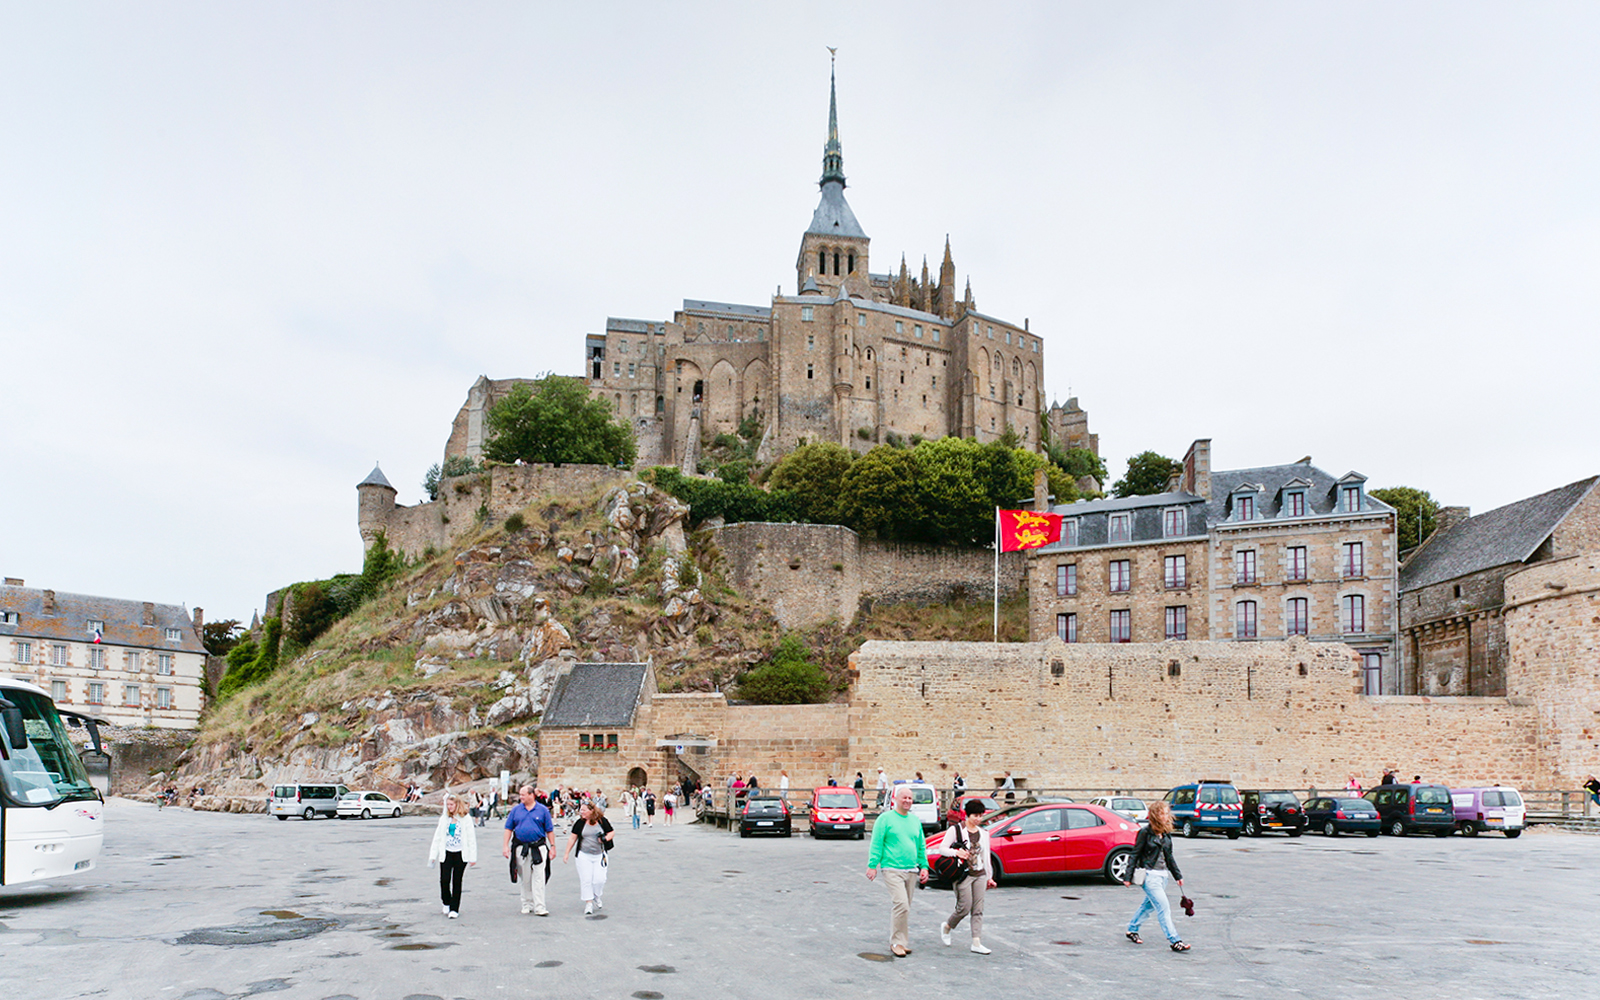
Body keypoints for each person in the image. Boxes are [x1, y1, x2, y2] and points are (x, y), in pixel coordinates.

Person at [865, 784, 929, 957]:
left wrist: (924, 866)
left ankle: (902, 941)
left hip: (911, 870)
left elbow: (921, 845)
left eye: (910, 798)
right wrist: (872, 865)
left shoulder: (914, 820)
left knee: (906, 907)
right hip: (892, 868)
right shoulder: (885, 819)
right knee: (901, 904)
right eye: (904, 797)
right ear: (896, 799)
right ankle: (896, 942)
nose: (907, 801)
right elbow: (877, 843)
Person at [1123, 800, 1189, 952]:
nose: (1165, 816)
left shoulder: (1165, 834)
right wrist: (1128, 876)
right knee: (1163, 908)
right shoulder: (1145, 833)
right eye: (1162, 813)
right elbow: (1135, 854)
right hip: (1149, 876)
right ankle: (1175, 940)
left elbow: (1169, 857)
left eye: (1167, 813)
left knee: (1149, 906)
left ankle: (1132, 929)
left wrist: (1177, 876)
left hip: (1163, 876)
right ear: (1154, 815)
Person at [937, 798, 995, 954]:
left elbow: (986, 856)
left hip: (980, 874)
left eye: (980, 815)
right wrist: (956, 852)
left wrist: (989, 876)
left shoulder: (984, 833)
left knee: (978, 909)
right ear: (967, 815)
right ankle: (948, 926)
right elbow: (942, 849)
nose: (978, 819)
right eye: (975, 815)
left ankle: (976, 942)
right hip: (963, 874)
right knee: (964, 907)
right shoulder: (956, 830)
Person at [501, 785, 554, 916]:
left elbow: (549, 830)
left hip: (538, 847)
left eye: (523, 795)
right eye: (520, 794)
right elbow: (508, 828)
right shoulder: (516, 810)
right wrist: (505, 846)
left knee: (539, 878)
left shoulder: (542, 810)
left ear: (531, 795)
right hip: (521, 847)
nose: (521, 797)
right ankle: (526, 903)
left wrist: (552, 846)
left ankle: (540, 906)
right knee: (525, 877)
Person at [428, 793, 477, 919]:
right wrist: (433, 855)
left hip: (461, 853)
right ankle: (446, 902)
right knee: (444, 879)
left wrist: (473, 857)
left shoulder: (466, 819)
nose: (449, 807)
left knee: (457, 881)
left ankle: (454, 908)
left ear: (457, 804)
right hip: (447, 852)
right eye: (447, 805)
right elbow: (437, 837)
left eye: (451, 804)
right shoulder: (444, 819)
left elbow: (471, 838)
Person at [562, 801, 615, 915]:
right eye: (581, 810)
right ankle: (589, 903)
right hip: (584, 855)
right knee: (586, 880)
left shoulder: (601, 821)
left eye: (584, 810)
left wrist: (605, 839)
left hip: (599, 855)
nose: (582, 812)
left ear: (591, 810)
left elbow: (611, 832)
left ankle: (597, 895)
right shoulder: (580, 823)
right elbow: (572, 838)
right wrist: (566, 853)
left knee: (599, 880)